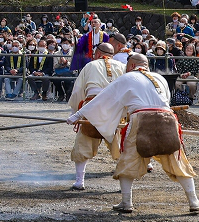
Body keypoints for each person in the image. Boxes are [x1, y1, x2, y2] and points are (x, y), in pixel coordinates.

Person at [68, 53, 199, 213]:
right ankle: (194, 202)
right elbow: (164, 102)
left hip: (141, 119)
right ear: (146, 65)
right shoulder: (160, 78)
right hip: (168, 119)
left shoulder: (127, 78)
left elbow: (102, 99)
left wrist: (76, 115)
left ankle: (126, 202)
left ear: (130, 66)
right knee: (178, 161)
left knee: (128, 160)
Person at [67, 42, 125, 190]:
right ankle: (124, 185)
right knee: (120, 146)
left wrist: (75, 113)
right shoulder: (121, 66)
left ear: (98, 54)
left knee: (83, 144)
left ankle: (80, 181)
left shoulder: (90, 66)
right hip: (114, 110)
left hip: (92, 108)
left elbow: (78, 91)